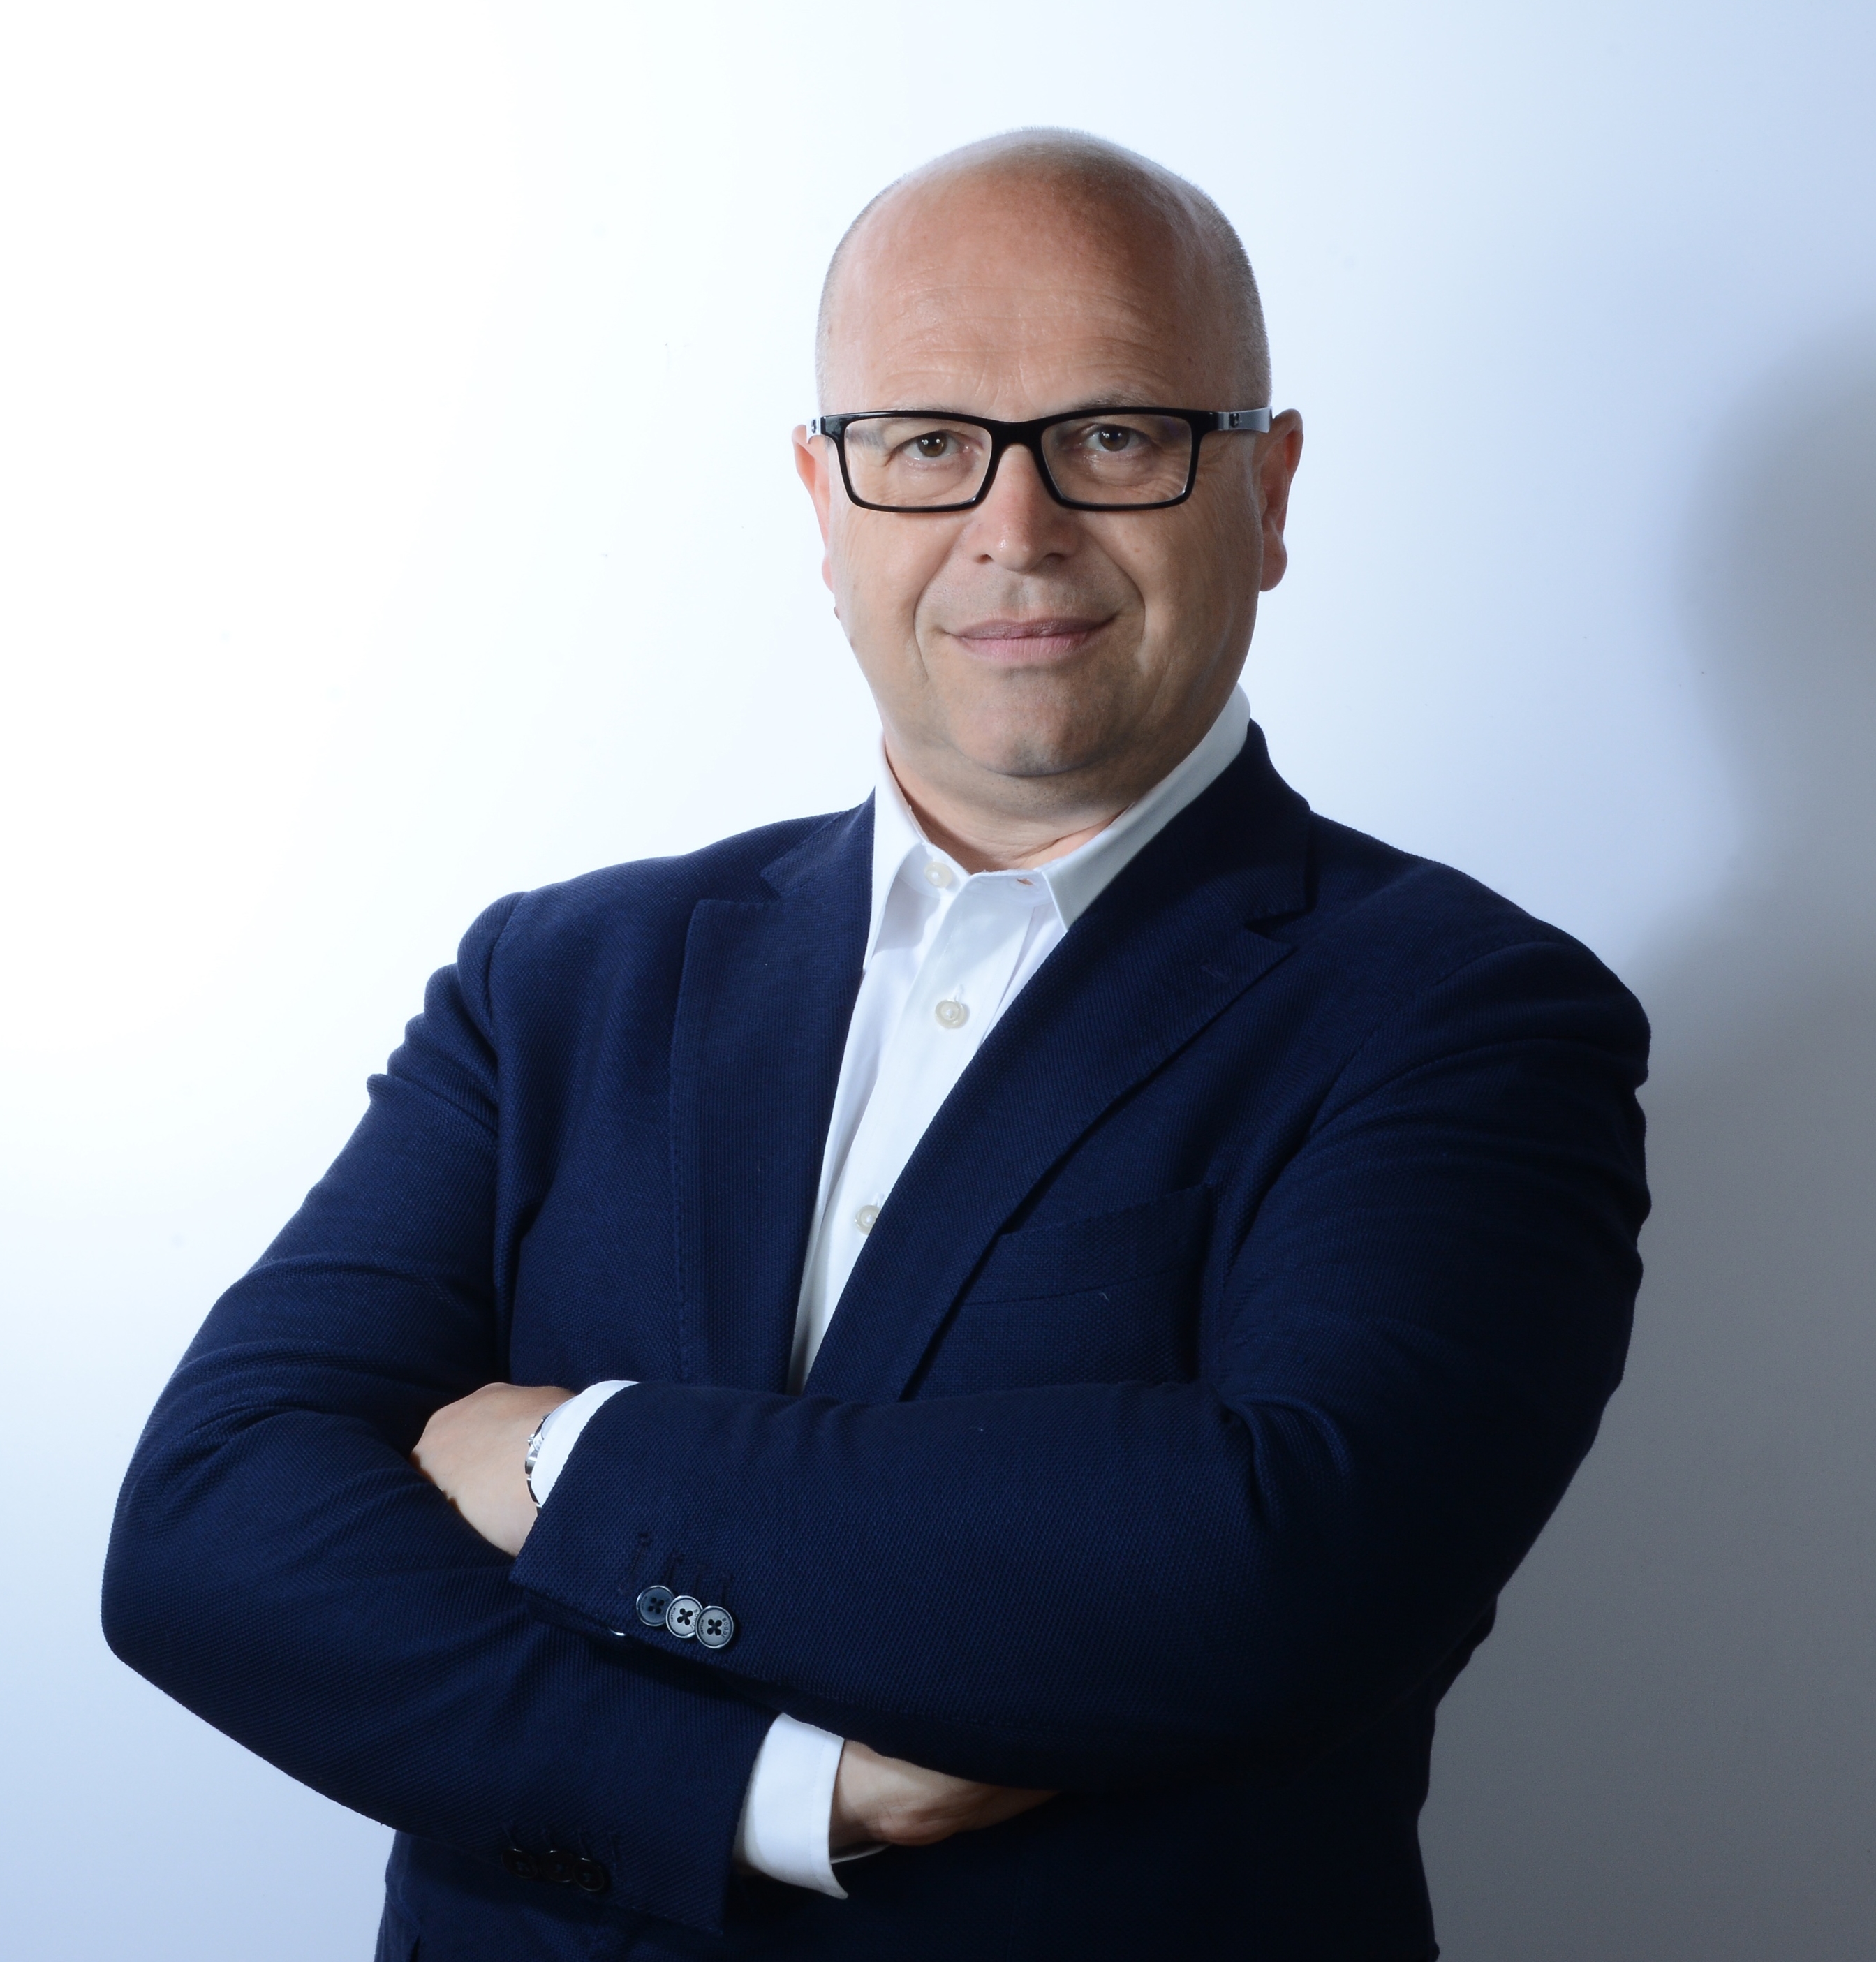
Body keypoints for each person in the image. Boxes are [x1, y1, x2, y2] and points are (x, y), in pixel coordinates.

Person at [103, 130, 1650, 1962]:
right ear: (824, 503)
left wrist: (568, 1455)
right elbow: (207, 1530)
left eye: (1115, 433)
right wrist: (770, 1793)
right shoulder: (559, 978)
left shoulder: (1468, 1015)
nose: (1016, 525)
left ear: (1269, 488)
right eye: (925, 443)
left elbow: (1278, 1571)